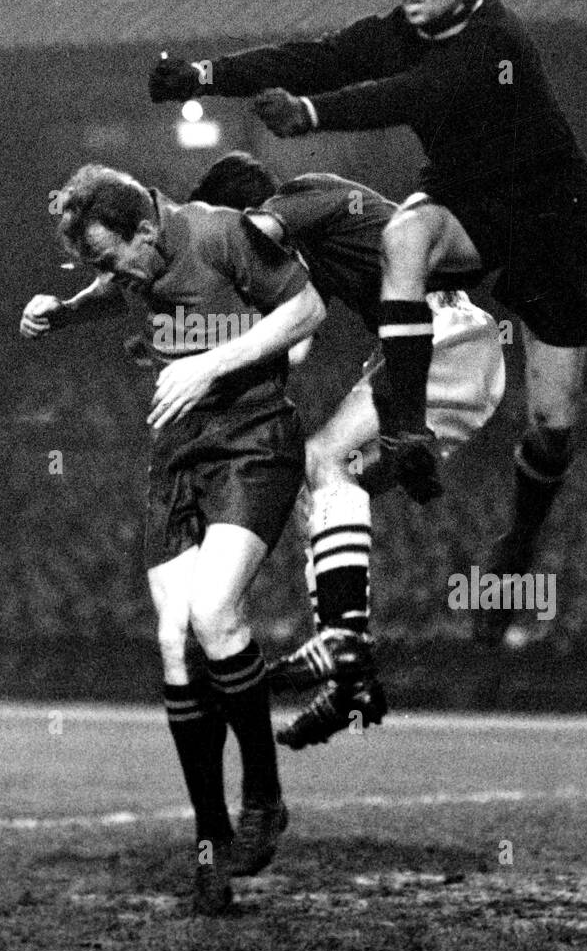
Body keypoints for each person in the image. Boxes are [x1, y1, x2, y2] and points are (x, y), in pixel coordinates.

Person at [150, 0, 587, 632]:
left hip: (549, 219)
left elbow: (411, 96)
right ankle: (407, 430)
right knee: (405, 236)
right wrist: (206, 74)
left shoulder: (494, 42)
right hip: (467, 201)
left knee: (551, 426)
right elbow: (317, 55)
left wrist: (309, 114)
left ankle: (517, 544)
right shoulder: (399, 29)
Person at [20, 164, 326, 913]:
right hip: (176, 450)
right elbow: (113, 290)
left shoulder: (223, 234)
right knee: (173, 640)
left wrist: (210, 363)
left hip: (253, 436)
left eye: (108, 255)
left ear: (147, 229)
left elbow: (308, 307)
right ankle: (211, 843)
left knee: (215, 611)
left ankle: (263, 796)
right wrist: (62, 310)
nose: (108, 272)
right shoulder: (132, 264)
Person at [189, 153, 505, 745]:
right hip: (465, 361)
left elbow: (251, 235)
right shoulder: (318, 258)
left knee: (319, 461)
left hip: (439, 339)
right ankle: (353, 682)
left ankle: (343, 641)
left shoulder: (305, 194)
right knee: (333, 487)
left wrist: (195, 264)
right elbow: (295, 343)